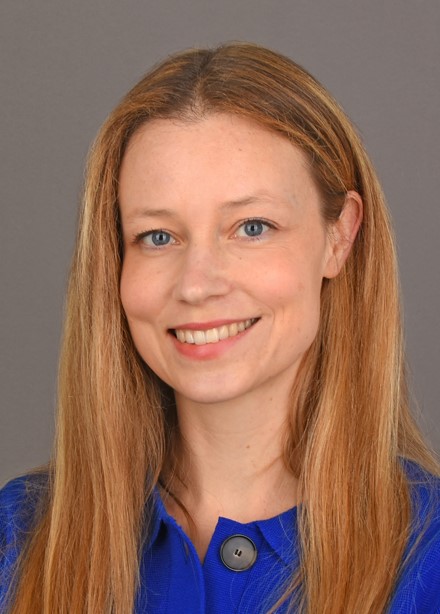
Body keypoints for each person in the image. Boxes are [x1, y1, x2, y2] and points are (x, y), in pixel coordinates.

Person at [1, 42, 439, 614]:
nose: (197, 284)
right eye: (158, 237)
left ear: (339, 236)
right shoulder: (18, 539)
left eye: (252, 227)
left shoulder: (429, 554)